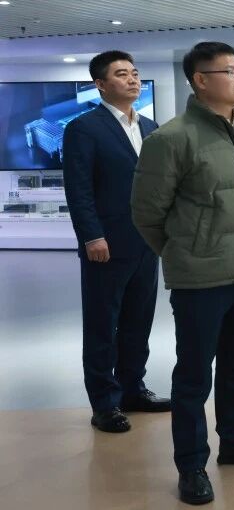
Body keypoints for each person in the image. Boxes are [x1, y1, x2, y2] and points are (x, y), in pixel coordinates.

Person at [132, 41, 234, 506]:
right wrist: (186, 252)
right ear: (200, 80)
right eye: (229, 71)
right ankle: (192, 464)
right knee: (194, 374)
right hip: (200, 278)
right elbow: (147, 214)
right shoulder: (171, 139)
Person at [63, 50, 169, 433]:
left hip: (146, 243)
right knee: (102, 325)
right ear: (101, 84)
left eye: (135, 73)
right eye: (122, 74)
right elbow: (79, 188)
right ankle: (104, 403)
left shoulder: (151, 127)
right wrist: (91, 235)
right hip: (106, 244)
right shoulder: (84, 128)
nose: (132, 79)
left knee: (138, 322)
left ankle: (133, 389)